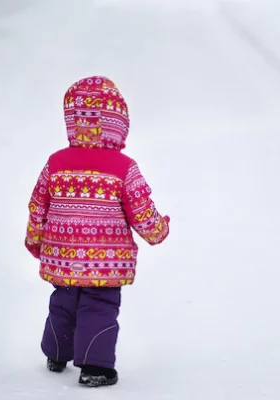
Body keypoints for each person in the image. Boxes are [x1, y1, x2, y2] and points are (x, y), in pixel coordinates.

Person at [24, 76, 170, 388]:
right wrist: (159, 230)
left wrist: (35, 240)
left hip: (61, 257)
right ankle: (95, 366)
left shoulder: (56, 163)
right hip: (105, 262)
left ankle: (57, 354)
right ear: (118, 122)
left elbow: (38, 205)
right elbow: (142, 212)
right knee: (98, 306)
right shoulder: (123, 167)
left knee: (63, 301)